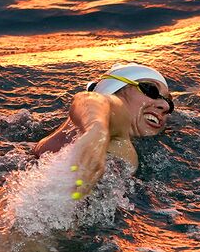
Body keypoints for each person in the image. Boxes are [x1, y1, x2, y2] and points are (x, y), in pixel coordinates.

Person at [33, 63, 173, 198]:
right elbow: (93, 100)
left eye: (170, 103)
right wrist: (97, 130)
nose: (165, 105)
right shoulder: (113, 134)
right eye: (151, 90)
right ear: (113, 90)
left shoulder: (58, 137)